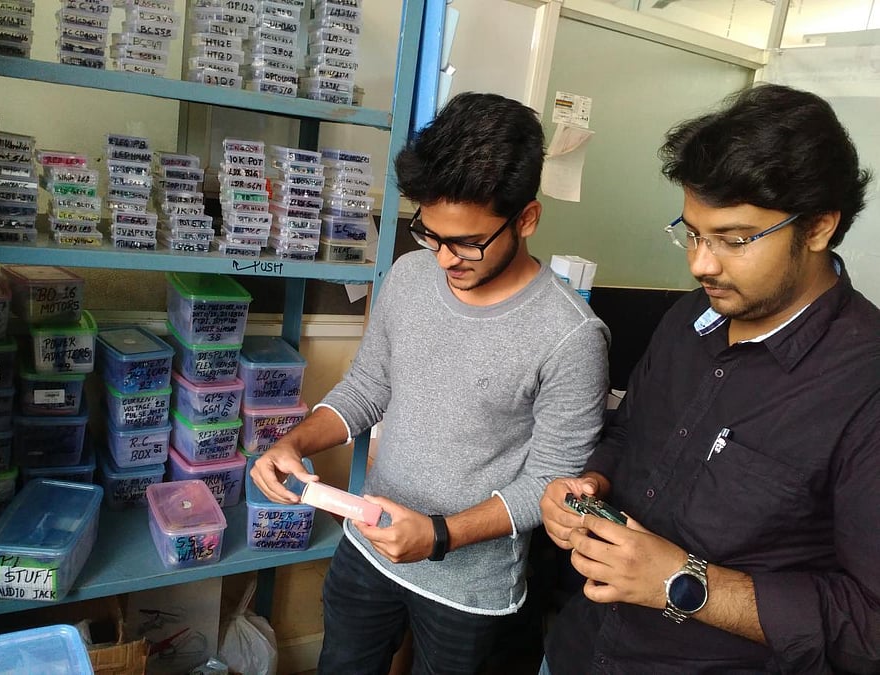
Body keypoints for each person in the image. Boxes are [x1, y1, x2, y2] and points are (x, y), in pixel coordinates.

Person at [251, 92, 611, 674]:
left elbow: (551, 484)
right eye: (430, 234)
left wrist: (440, 536)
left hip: (471, 590)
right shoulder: (410, 275)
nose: (445, 259)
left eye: (468, 242)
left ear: (526, 218)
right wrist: (293, 443)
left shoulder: (571, 335)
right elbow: (369, 385)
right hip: (369, 546)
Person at [540, 82, 880, 674]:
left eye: (735, 240)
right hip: (581, 649)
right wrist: (588, 487)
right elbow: (629, 436)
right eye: (693, 232)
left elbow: (870, 625)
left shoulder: (865, 388)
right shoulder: (688, 320)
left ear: (820, 227)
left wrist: (680, 581)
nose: (700, 263)